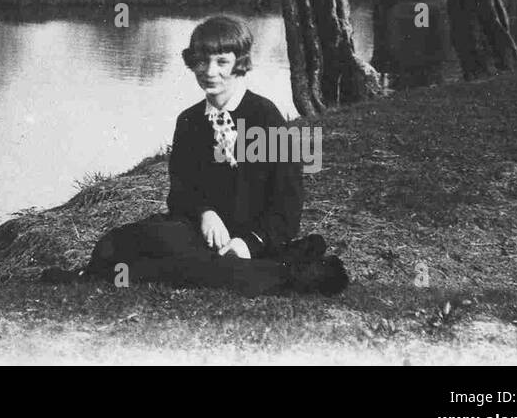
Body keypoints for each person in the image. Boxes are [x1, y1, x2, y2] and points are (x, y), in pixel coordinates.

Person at [41, 15, 348, 296]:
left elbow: (287, 207)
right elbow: (180, 193)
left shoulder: (267, 118)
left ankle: (258, 272)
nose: (210, 72)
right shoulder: (189, 121)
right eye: (202, 62)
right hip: (198, 236)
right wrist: (205, 213)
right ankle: (208, 272)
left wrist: (248, 243)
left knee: (178, 264)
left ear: (240, 63)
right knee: (115, 243)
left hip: (253, 242)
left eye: (222, 62)